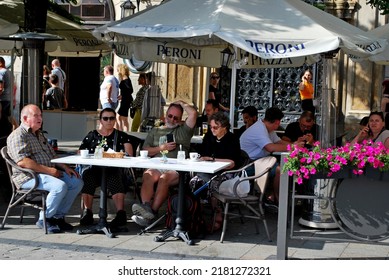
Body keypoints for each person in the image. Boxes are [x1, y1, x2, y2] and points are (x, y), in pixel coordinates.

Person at [6, 104, 83, 233]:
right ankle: (45, 219)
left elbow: (52, 155)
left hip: (47, 173)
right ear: (25, 119)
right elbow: (23, 162)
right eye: (36, 115)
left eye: (40, 115)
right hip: (28, 177)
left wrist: (65, 167)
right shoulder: (18, 135)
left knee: (77, 182)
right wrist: (50, 171)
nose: (40, 118)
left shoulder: (39, 134)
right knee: (59, 186)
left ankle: (57, 217)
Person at [131, 100, 197, 227]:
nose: (172, 120)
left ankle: (151, 213)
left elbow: (193, 113)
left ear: (180, 119)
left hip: (177, 168)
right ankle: (146, 208)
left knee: (164, 178)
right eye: (170, 116)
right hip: (158, 165)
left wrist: (181, 103)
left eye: (176, 118)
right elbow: (144, 150)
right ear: (166, 114)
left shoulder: (184, 131)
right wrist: (161, 148)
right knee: (148, 175)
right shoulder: (156, 131)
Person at [78, 108, 134, 228]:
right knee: (88, 176)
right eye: (105, 118)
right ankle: (87, 212)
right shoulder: (92, 135)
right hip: (95, 169)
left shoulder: (122, 136)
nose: (109, 121)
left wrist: (118, 155)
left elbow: (130, 154)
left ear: (115, 120)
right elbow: (80, 152)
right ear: (101, 121)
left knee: (115, 177)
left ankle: (120, 214)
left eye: (112, 118)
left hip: (114, 169)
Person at [240, 107, 304, 205]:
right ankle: (279, 202)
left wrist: (294, 145)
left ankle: (274, 196)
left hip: (257, 161)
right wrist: (293, 147)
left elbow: (279, 142)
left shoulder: (266, 129)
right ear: (277, 122)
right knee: (281, 170)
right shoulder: (259, 130)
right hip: (247, 165)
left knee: (280, 167)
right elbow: (270, 148)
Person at [116, 63, 134, 131]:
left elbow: (130, 90)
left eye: (118, 70)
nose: (117, 72)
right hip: (125, 100)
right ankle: (123, 132)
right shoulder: (125, 78)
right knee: (122, 118)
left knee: (121, 118)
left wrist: (123, 96)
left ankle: (121, 132)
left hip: (126, 101)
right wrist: (122, 96)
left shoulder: (125, 79)